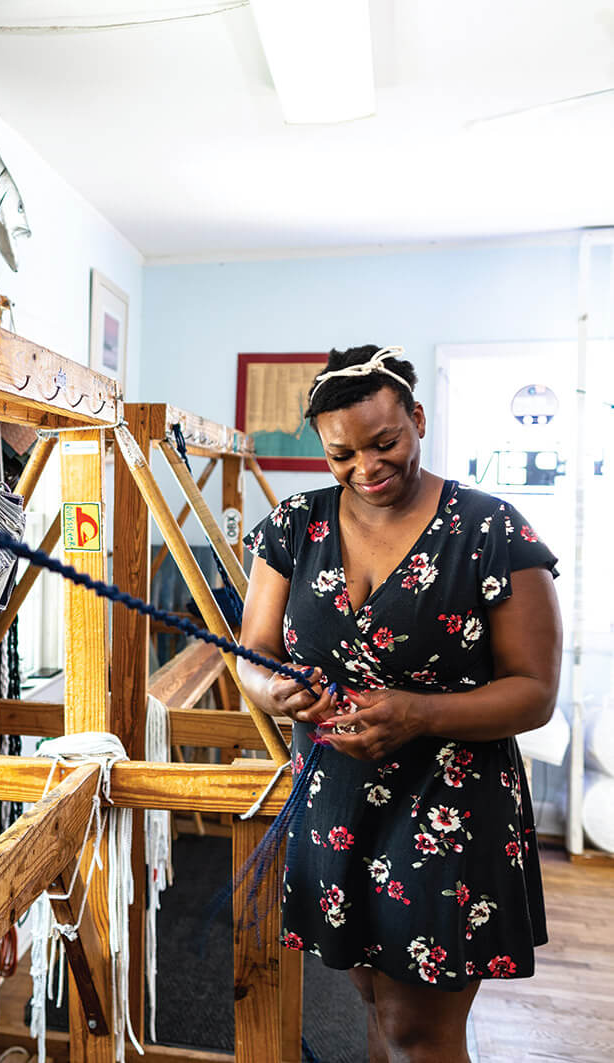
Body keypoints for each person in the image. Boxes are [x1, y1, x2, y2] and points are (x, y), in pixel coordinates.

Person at [237, 345, 562, 1063]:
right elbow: (251, 653)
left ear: (417, 417)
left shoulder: (490, 531)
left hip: (448, 808)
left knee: (419, 1031)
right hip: (336, 804)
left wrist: (417, 714)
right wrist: (275, 689)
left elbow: (535, 691)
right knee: (378, 1012)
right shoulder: (294, 526)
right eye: (342, 454)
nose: (366, 467)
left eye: (384, 442)